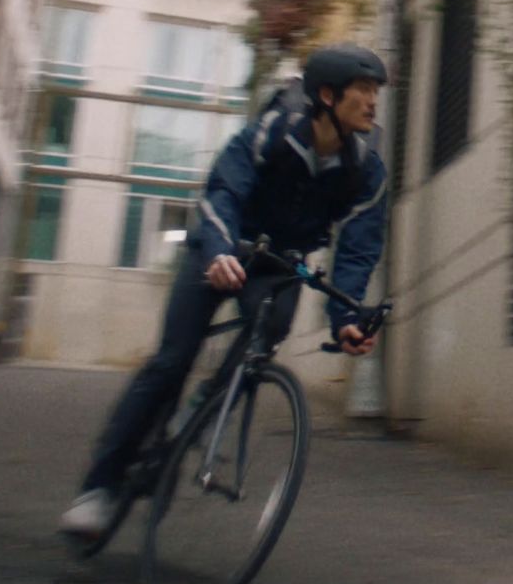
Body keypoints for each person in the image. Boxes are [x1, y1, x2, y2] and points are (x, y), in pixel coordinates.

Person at [59, 43, 390, 536]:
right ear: (326, 95)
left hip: (280, 263)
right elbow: (223, 191)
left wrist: (345, 322)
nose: (372, 101)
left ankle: (200, 414)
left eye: (375, 91)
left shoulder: (368, 171)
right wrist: (218, 252)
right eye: (362, 90)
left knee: (268, 331)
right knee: (171, 360)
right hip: (223, 245)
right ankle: (99, 488)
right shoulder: (272, 133)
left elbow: (358, 251)